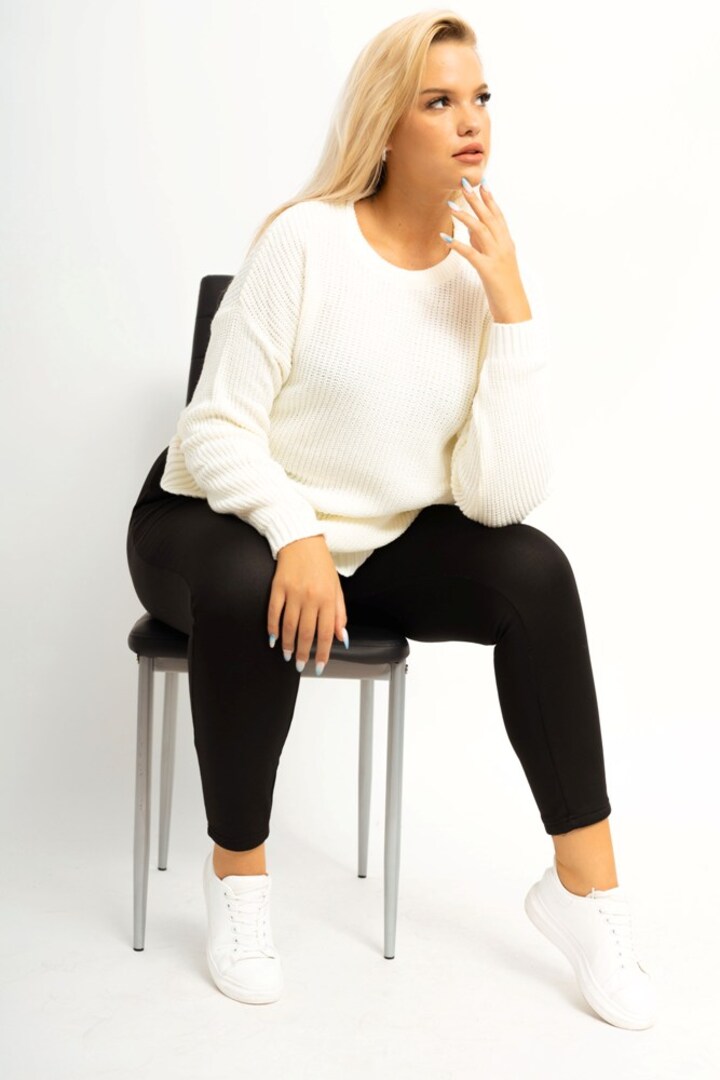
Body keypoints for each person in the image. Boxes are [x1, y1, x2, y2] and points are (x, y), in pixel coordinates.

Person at [126, 9, 656, 1028]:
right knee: (245, 581)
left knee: (535, 569)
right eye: (439, 101)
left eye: (480, 98)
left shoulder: (474, 279)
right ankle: (238, 878)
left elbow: (497, 500)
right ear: (386, 121)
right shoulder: (305, 242)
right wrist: (294, 531)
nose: (472, 121)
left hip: (369, 541)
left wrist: (511, 310)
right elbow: (213, 430)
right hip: (207, 517)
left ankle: (586, 892)